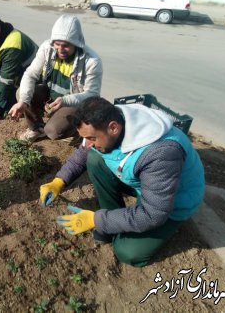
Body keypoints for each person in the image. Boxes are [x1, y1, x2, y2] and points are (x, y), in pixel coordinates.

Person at [40, 97, 205, 267]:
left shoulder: (161, 153)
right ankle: (113, 219)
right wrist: (59, 181)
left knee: (127, 252)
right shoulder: (107, 124)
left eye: (92, 138)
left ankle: (134, 226)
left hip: (172, 201)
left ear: (113, 128)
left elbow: (152, 214)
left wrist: (96, 220)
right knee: (94, 158)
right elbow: (82, 153)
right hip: (143, 183)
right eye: (85, 138)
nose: (87, 144)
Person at [8, 14, 102, 142]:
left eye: (66, 45)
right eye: (57, 44)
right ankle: (37, 128)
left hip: (74, 104)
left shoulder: (91, 61)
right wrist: (23, 102)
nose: (61, 49)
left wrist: (65, 101)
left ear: (77, 44)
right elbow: (30, 74)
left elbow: (92, 95)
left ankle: (78, 131)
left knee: (53, 131)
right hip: (52, 97)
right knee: (22, 93)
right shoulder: (47, 48)